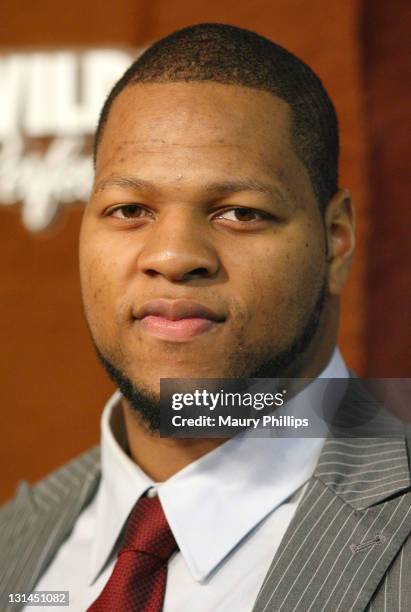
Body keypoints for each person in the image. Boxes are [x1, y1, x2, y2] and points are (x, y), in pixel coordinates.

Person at [0, 22, 410, 612]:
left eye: (240, 213)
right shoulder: (19, 539)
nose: (172, 257)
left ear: (336, 239)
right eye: (129, 208)